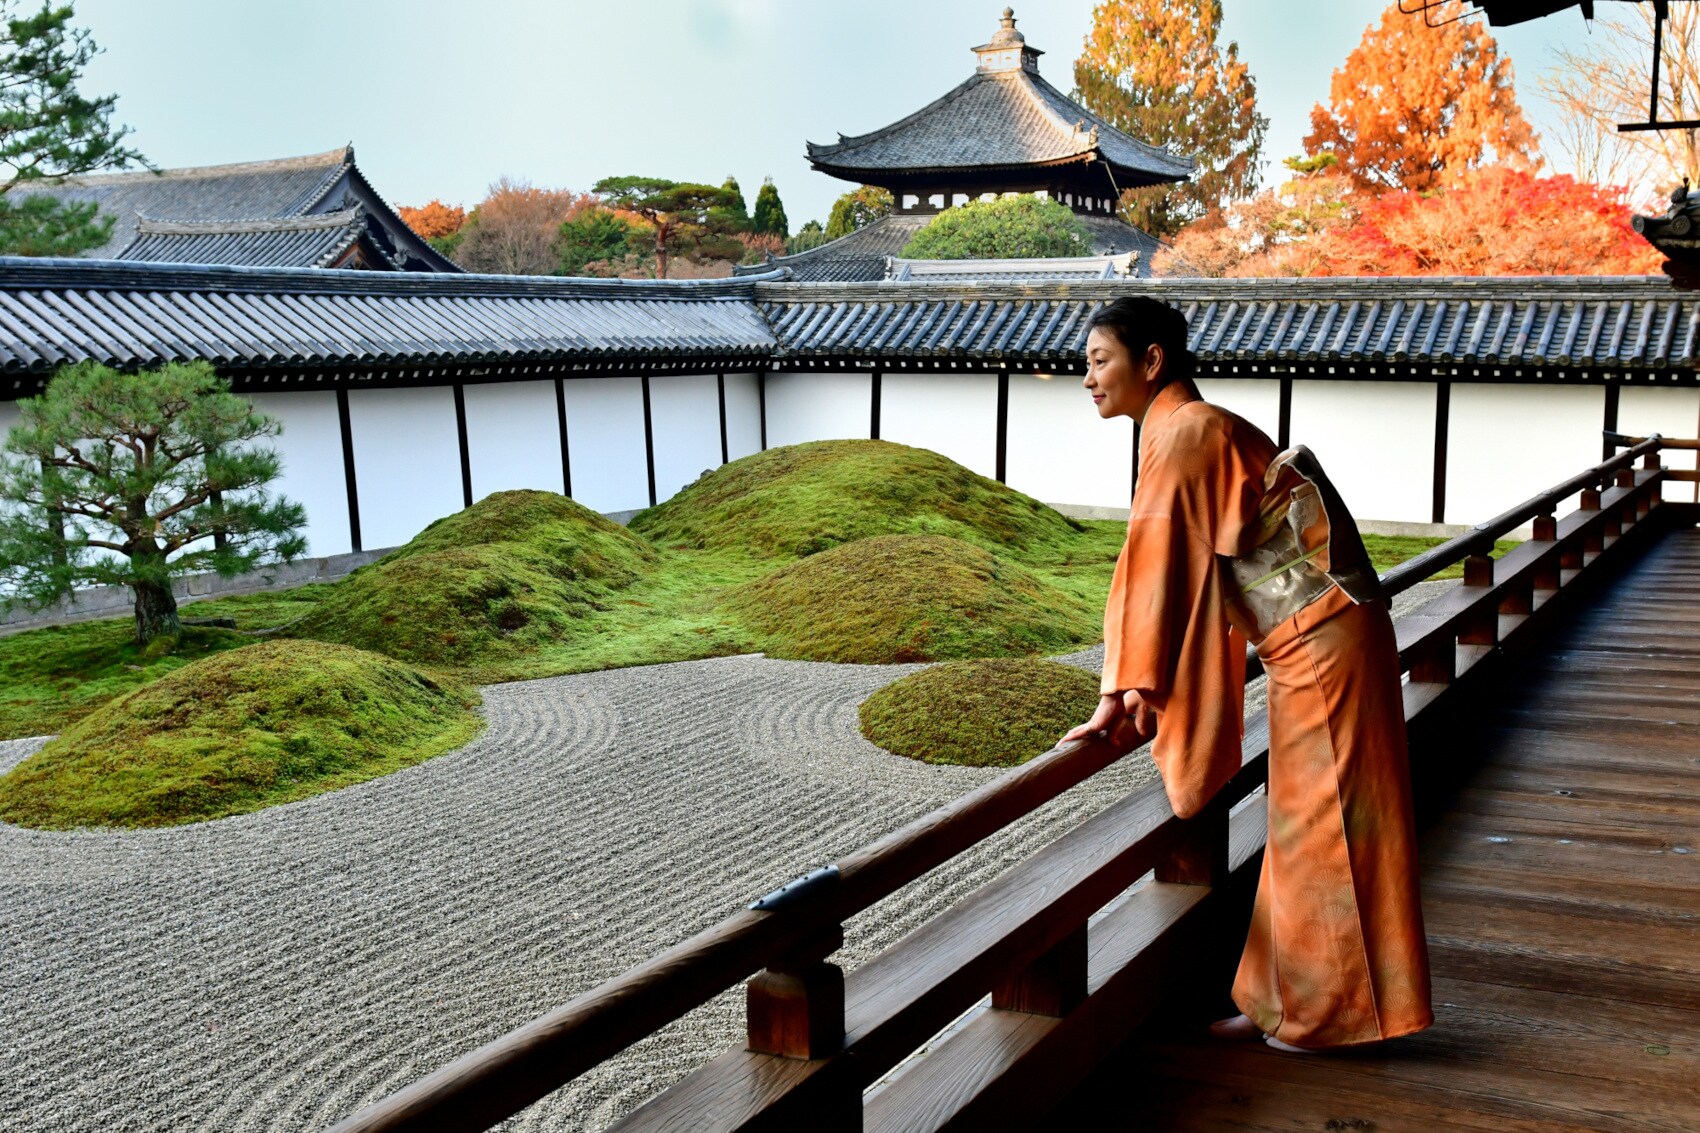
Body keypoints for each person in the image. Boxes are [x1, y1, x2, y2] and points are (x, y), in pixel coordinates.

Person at [1062, 296, 1432, 1052]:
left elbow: (1152, 568)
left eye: (1100, 360)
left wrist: (1117, 688)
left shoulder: (1188, 432)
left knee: (1320, 826)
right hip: (1320, 636)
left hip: (1322, 639)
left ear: (1153, 360)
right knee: (1304, 822)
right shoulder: (1192, 427)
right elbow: (1165, 565)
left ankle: (1325, 1015)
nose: (1087, 377)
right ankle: (1279, 1002)